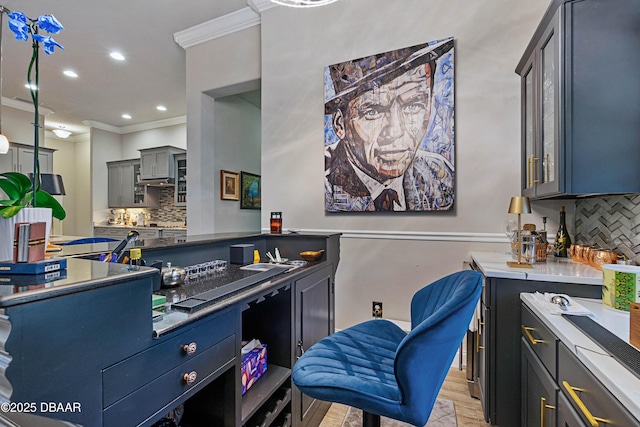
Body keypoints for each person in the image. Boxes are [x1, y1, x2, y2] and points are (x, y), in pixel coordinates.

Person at [324, 38, 454, 212]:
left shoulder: (438, 176)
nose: (396, 132)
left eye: (413, 106)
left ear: (430, 104)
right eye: (373, 112)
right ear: (340, 125)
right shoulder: (322, 185)